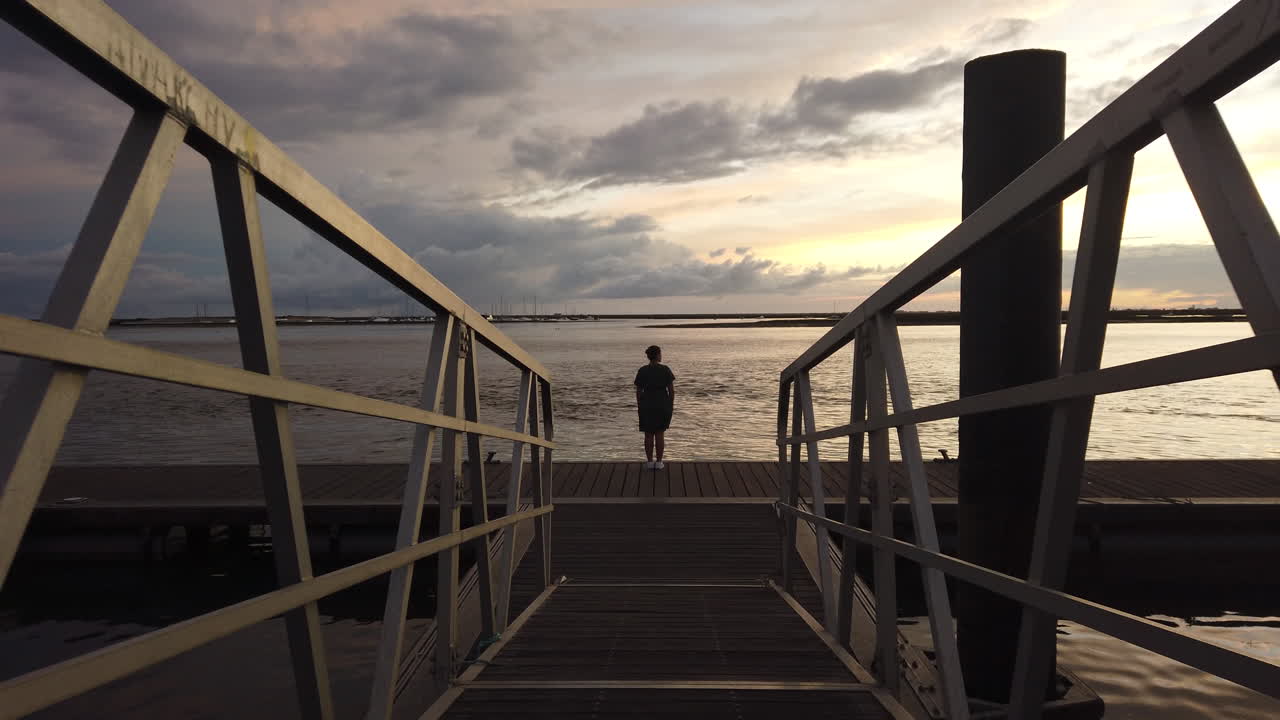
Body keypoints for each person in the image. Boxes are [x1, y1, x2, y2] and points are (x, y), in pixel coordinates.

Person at [634, 345, 674, 470]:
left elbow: (638, 391)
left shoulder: (642, 370)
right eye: (660, 353)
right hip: (662, 403)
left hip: (646, 404)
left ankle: (650, 462)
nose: (661, 356)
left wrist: (640, 405)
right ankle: (659, 462)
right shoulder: (665, 369)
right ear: (657, 355)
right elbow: (671, 391)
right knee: (660, 433)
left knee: (648, 434)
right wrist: (670, 405)